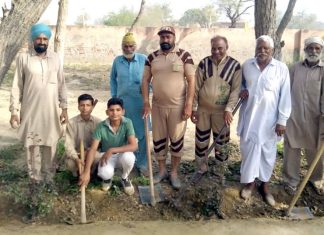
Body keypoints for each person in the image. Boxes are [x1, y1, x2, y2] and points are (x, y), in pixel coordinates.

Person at [9, 23, 68, 186]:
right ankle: (34, 179)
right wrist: (14, 111)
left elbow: (62, 84)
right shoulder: (23, 58)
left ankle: (48, 177)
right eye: (38, 38)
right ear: (33, 40)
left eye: (45, 38)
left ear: (48, 40)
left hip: (51, 110)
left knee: (51, 142)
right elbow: (16, 86)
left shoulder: (56, 58)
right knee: (32, 143)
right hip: (31, 109)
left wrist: (64, 108)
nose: (42, 41)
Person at [237, 35, 291, 206]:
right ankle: (250, 183)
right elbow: (240, 85)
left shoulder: (281, 68)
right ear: (255, 48)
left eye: (266, 48)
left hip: (270, 121)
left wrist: (282, 120)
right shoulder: (247, 65)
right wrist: (242, 90)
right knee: (248, 150)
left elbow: (285, 96)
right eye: (259, 47)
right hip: (250, 118)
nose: (262, 51)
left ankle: (265, 186)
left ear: (272, 50)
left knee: (268, 153)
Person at [142, 26, 195, 189]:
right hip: (158, 107)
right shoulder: (151, 57)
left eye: (168, 37)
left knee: (176, 140)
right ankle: (162, 171)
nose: (165, 40)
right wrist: (146, 102)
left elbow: (192, 81)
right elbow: (145, 81)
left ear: (174, 37)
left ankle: (174, 173)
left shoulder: (184, 55)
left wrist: (188, 104)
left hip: (178, 107)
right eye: (163, 37)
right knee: (158, 140)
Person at [191, 35, 241, 181]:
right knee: (201, 141)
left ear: (226, 47)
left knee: (222, 143)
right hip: (203, 110)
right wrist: (194, 108)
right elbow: (196, 87)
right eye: (214, 48)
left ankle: (220, 172)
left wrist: (229, 109)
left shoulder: (235, 66)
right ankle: (201, 168)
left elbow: (235, 90)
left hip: (222, 112)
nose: (216, 51)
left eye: (220, 48)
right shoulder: (204, 63)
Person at [283, 36, 324, 196]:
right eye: (310, 48)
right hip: (294, 117)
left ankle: (316, 180)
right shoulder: (294, 68)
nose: (313, 51)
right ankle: (290, 181)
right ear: (305, 50)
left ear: (321, 51)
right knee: (291, 150)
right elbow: (286, 92)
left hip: (316, 119)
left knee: (315, 150)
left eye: (317, 48)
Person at [78, 97, 137, 195]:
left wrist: (112, 150)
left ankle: (124, 178)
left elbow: (134, 146)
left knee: (129, 157)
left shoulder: (127, 123)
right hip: (106, 156)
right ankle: (107, 179)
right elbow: (93, 149)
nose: (115, 113)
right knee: (104, 173)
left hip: (122, 154)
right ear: (107, 112)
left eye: (118, 110)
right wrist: (86, 171)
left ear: (123, 111)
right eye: (111, 110)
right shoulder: (101, 126)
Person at [110, 32, 148, 176]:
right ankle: (126, 162)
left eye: (131, 46)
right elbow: (112, 80)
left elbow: (149, 79)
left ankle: (142, 163)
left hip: (140, 103)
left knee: (141, 134)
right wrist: (114, 97)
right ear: (122, 47)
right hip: (122, 104)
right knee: (124, 132)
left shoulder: (144, 59)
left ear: (135, 47)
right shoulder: (117, 61)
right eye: (125, 46)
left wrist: (147, 96)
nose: (128, 48)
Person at [64, 94, 101, 177]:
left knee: (98, 158)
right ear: (78, 107)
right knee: (70, 164)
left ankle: (92, 172)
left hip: (92, 153)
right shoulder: (71, 123)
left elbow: (101, 144)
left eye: (88, 105)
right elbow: (68, 145)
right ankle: (78, 174)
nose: (85, 108)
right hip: (77, 153)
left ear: (92, 107)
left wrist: (88, 152)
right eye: (82, 105)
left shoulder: (98, 123)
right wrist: (76, 158)